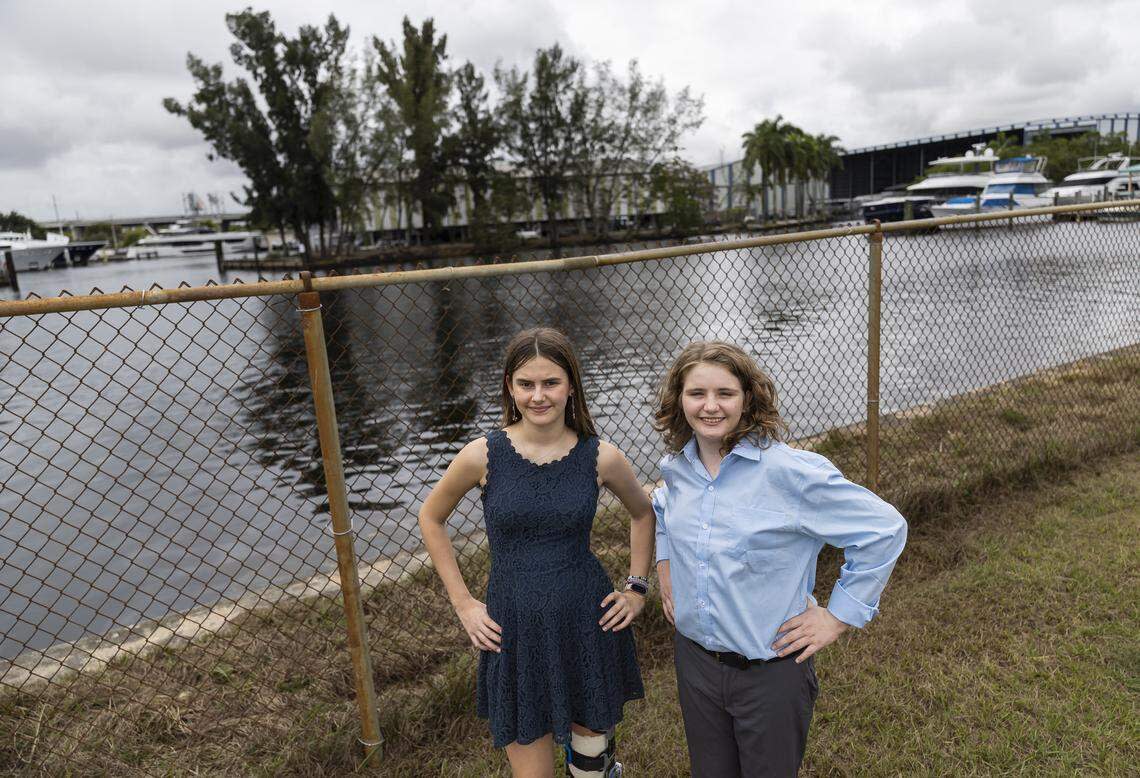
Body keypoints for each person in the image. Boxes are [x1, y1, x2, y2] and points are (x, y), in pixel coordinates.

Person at [652, 341, 907, 778]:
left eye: (725, 394)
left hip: (769, 674)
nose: (710, 406)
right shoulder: (679, 469)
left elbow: (883, 529)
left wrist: (839, 616)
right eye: (697, 394)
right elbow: (662, 510)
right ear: (679, 400)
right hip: (695, 664)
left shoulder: (790, 473)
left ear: (748, 398)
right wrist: (666, 568)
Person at [418, 327, 651, 778]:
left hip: (587, 620)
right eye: (526, 384)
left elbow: (643, 514)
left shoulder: (601, 457)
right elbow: (431, 518)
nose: (538, 396)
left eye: (551, 383)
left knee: (590, 768)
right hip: (514, 627)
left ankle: (600, 768)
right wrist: (463, 603)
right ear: (510, 386)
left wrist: (637, 588)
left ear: (571, 387)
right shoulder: (481, 455)